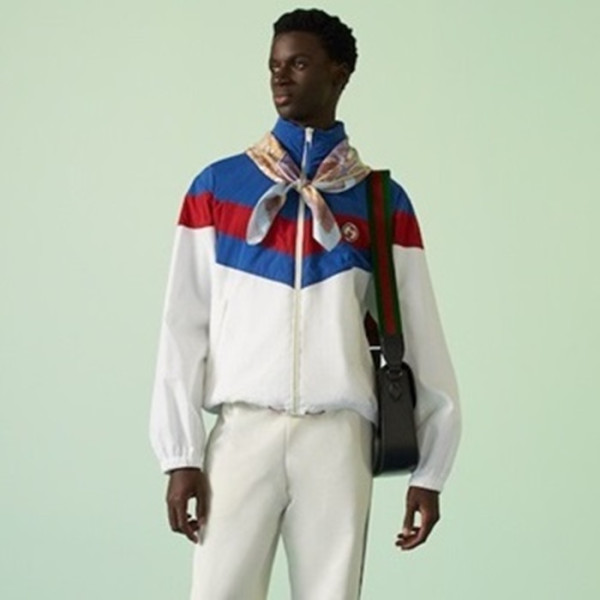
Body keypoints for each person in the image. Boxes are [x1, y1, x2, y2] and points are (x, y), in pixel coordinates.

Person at [149, 8, 460, 600]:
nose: (280, 76)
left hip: (338, 440)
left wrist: (432, 470)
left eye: (298, 63)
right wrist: (180, 453)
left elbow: (422, 335)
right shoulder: (218, 188)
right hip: (241, 433)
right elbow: (183, 327)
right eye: (274, 64)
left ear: (338, 73)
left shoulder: (380, 201)